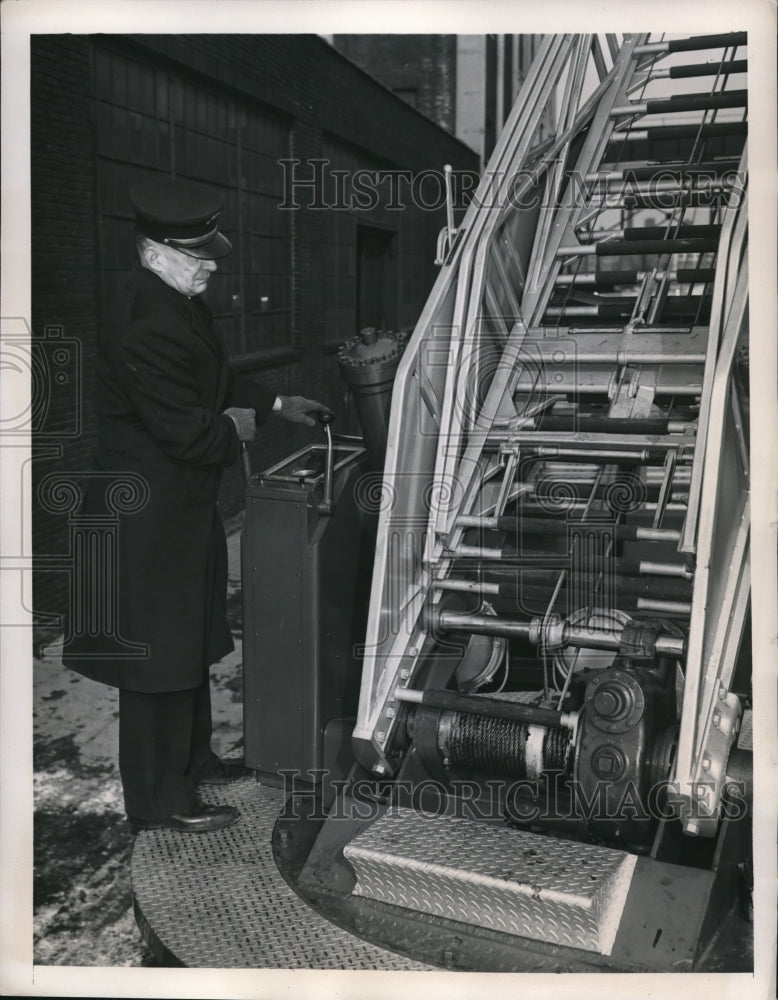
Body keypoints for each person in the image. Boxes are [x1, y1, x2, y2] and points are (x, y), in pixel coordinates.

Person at [62, 177, 330, 834]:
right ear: (159, 250)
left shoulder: (178, 303)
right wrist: (234, 429)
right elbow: (189, 430)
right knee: (154, 661)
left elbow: (211, 375)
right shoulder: (146, 323)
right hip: (148, 517)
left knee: (185, 643)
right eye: (200, 253)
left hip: (178, 510)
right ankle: (160, 803)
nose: (213, 263)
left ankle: (194, 762)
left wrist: (275, 404)